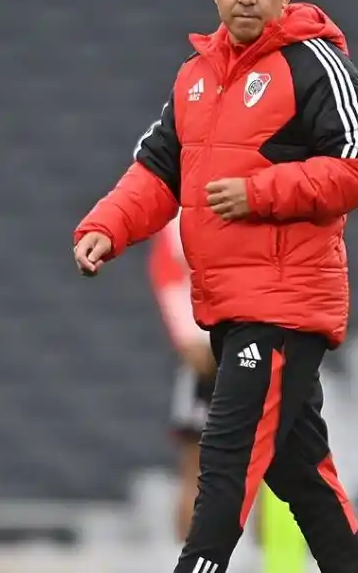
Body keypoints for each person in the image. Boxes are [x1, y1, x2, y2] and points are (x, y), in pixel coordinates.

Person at [73, 0, 358, 573]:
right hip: (228, 304)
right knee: (301, 474)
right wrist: (106, 226)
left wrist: (259, 192)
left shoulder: (317, 63)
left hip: (285, 305)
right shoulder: (196, 75)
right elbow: (158, 169)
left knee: (226, 457)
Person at [151, 214, 217, 541]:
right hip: (208, 356)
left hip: (247, 349)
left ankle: (265, 559)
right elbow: (168, 271)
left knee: (266, 467)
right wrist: (188, 338)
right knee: (196, 466)